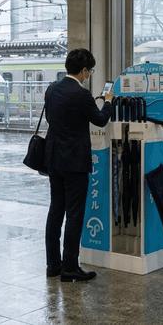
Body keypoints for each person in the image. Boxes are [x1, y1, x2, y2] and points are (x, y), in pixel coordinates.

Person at [44, 48, 113, 282]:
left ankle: (53, 265)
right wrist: (108, 102)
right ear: (84, 70)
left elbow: (52, 120)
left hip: (54, 159)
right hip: (75, 162)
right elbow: (101, 120)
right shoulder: (81, 94)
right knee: (74, 214)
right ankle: (70, 267)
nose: (89, 75)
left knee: (56, 211)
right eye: (90, 71)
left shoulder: (52, 89)